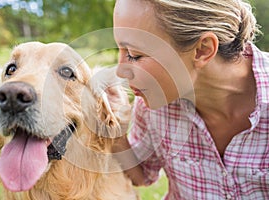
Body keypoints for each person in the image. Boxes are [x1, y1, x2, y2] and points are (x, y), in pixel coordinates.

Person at [111, 0, 269, 199]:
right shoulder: (153, 108)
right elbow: (141, 175)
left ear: (203, 50)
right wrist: (115, 134)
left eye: (134, 54)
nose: (120, 71)